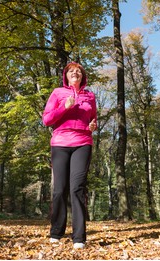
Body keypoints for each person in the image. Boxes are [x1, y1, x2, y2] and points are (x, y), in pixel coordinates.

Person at [42, 62, 97, 249]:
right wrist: (64, 107)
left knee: (77, 189)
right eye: (72, 71)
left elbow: (93, 118)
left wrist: (93, 125)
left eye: (79, 71)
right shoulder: (58, 93)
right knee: (60, 190)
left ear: (83, 76)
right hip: (60, 144)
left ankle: (79, 237)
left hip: (83, 143)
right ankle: (56, 232)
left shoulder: (90, 95)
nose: (76, 73)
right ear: (66, 76)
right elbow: (46, 120)